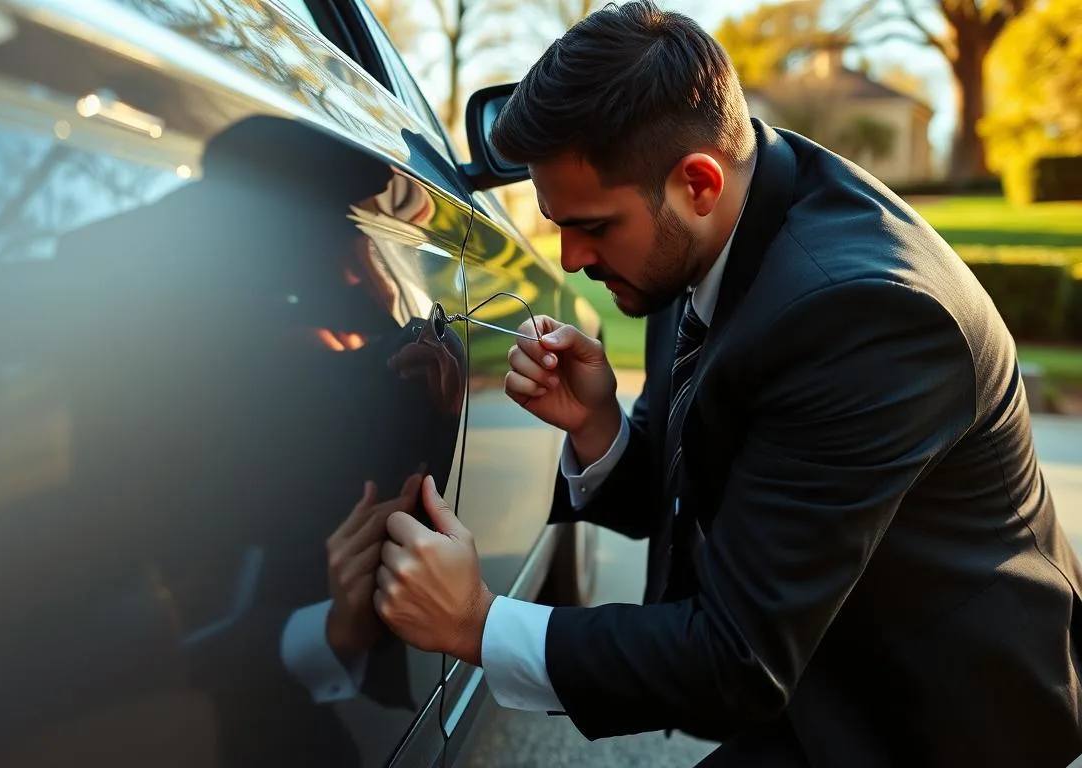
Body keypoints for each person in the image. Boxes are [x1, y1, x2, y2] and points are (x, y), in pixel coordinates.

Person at [370, 2, 1082, 766]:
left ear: (698, 184)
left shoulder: (862, 316)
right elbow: (699, 491)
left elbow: (736, 661)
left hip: (935, 724)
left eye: (595, 226)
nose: (571, 257)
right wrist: (599, 425)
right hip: (811, 666)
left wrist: (477, 624)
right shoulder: (705, 231)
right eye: (558, 225)